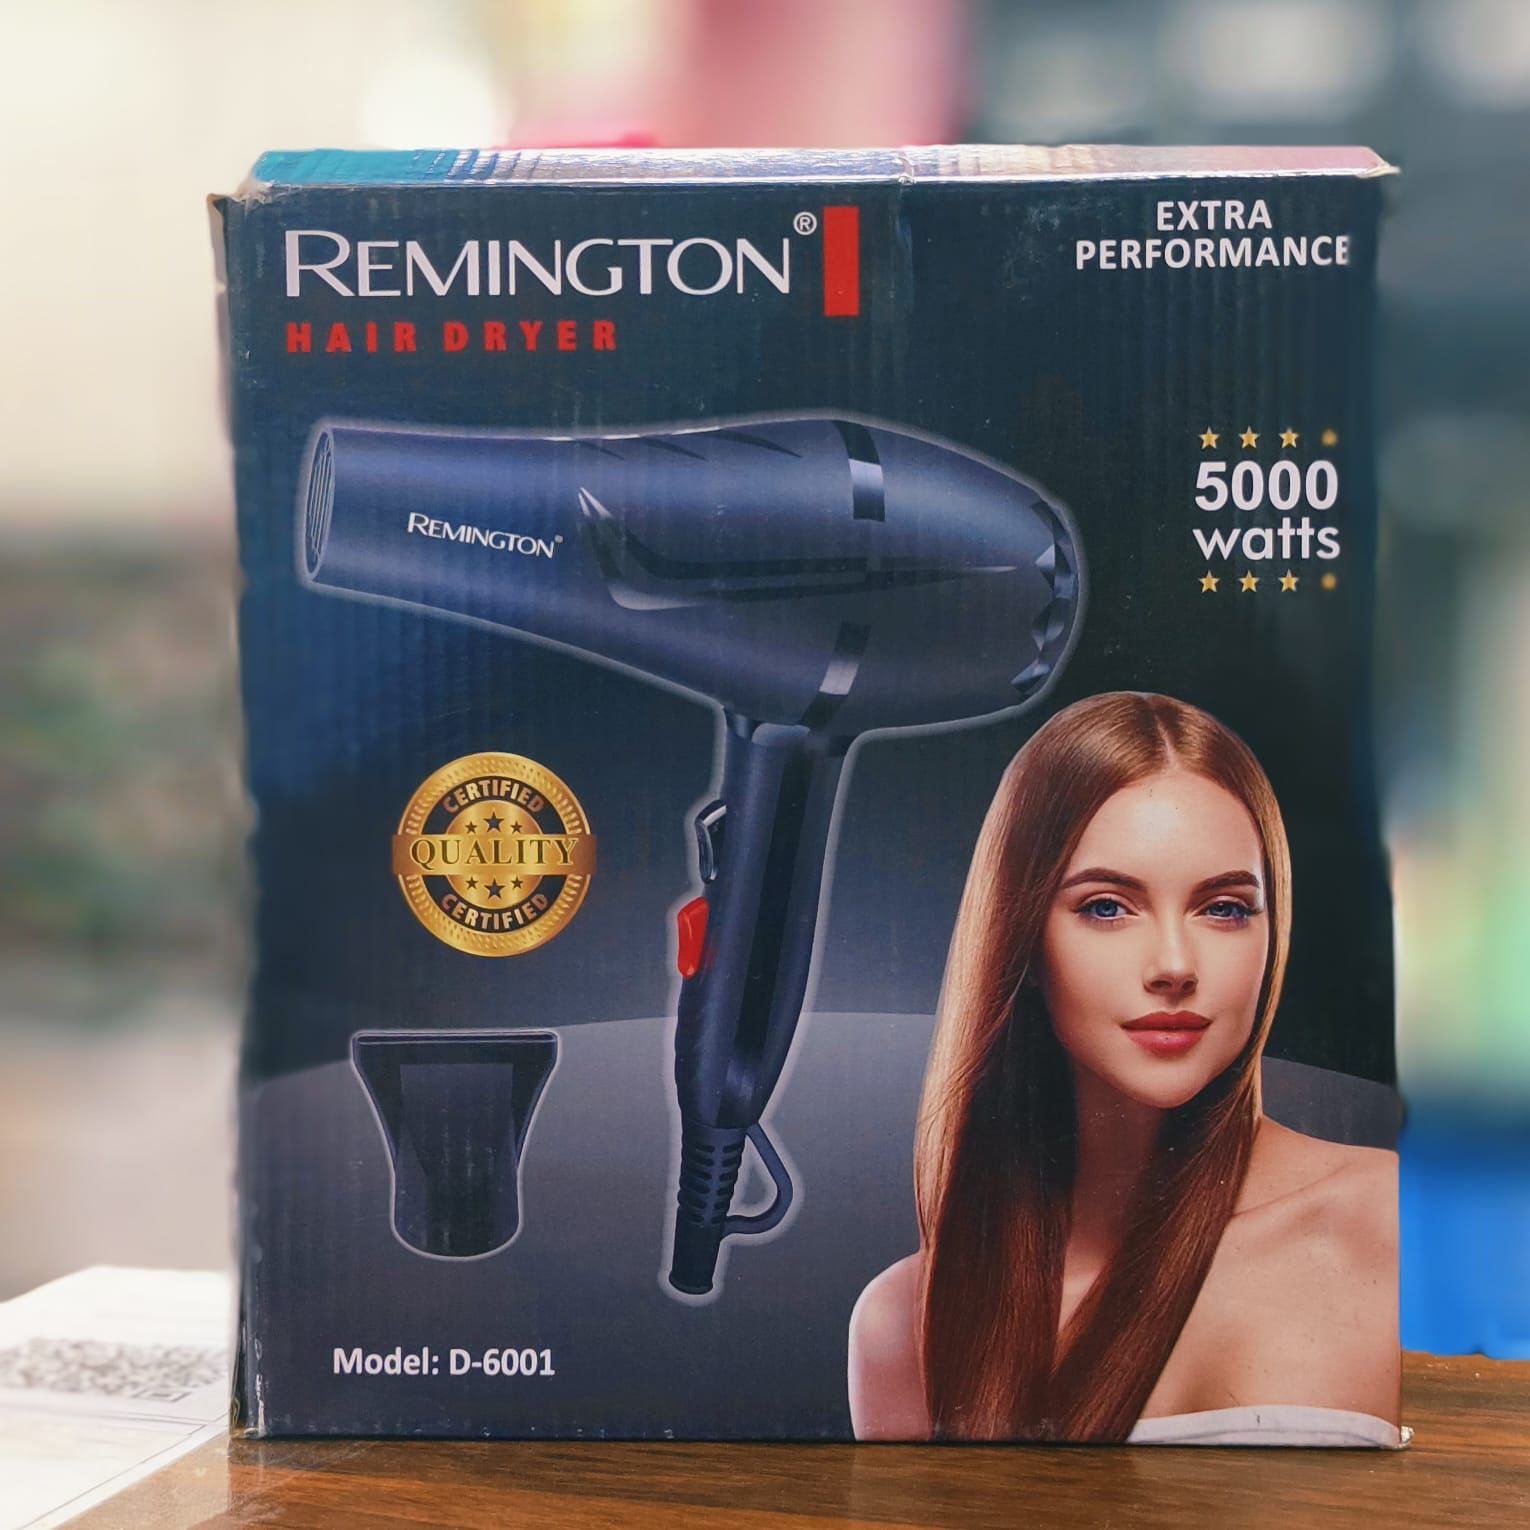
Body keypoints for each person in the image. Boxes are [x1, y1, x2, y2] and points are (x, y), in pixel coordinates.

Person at [848, 692, 1398, 1444]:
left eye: (1225, 908)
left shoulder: (1392, 1221)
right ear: (1022, 937)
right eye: (1107, 907)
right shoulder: (905, 1324)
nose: (1174, 965)